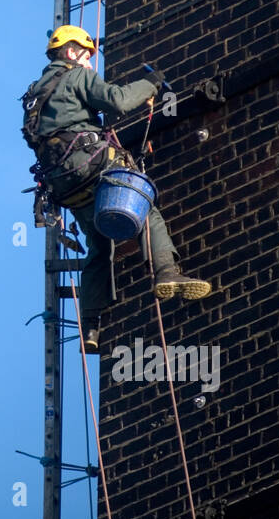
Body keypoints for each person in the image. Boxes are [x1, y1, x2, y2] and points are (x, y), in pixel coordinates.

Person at [22, 25, 211, 352]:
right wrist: (149, 84)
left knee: (98, 243)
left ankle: (91, 326)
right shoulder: (75, 76)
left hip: (64, 184)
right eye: (86, 55)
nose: (90, 64)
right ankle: (167, 271)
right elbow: (117, 102)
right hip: (90, 163)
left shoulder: (35, 93)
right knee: (144, 208)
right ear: (70, 52)